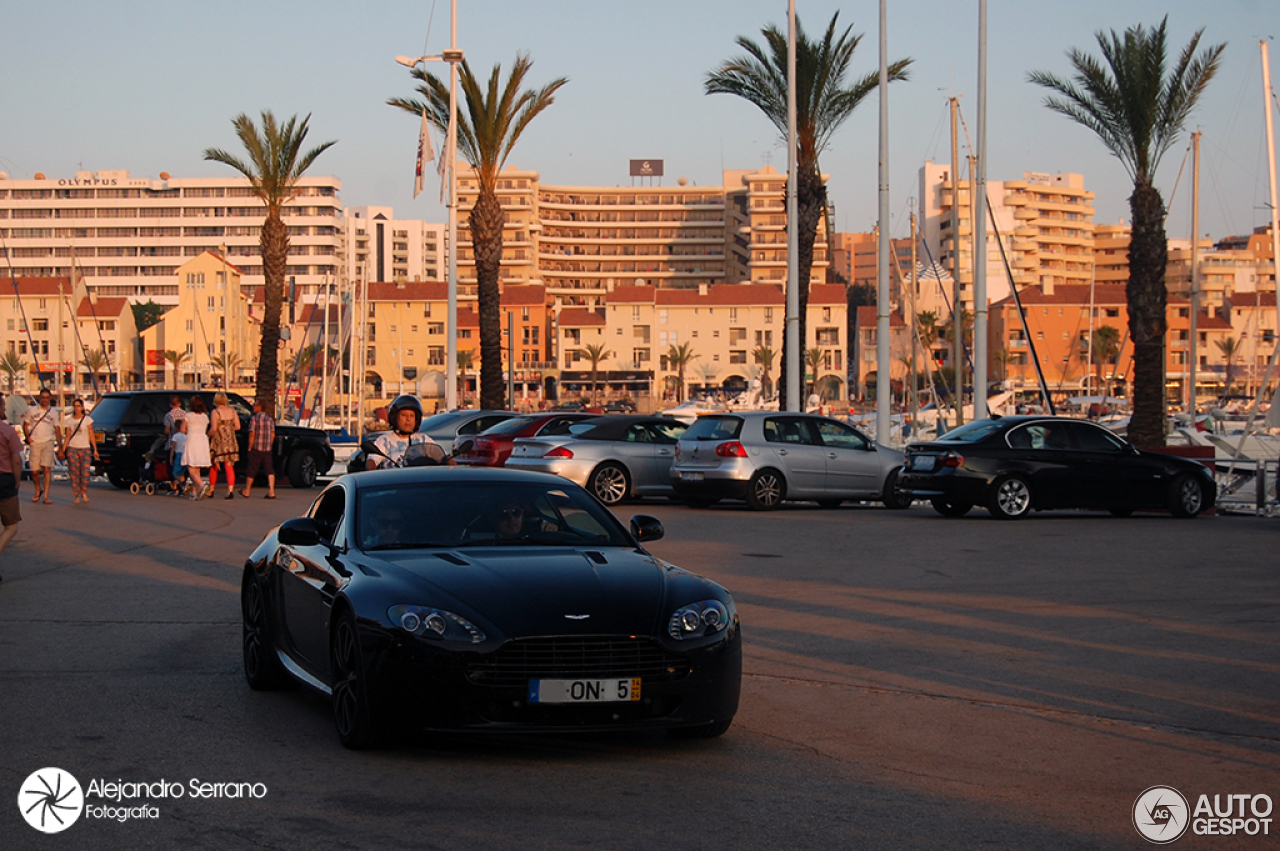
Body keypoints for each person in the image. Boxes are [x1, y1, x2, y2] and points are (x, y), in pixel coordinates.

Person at [365, 395, 438, 470]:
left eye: (412, 416)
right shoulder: (384, 440)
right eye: (404, 415)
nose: (408, 419)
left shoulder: (423, 439)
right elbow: (372, 461)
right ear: (395, 418)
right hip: (393, 480)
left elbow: (442, 457)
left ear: (416, 419)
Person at [22, 388, 61, 505]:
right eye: (43, 397)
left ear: (50, 399)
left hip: (48, 442)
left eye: (47, 398)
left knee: (46, 468)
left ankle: (46, 496)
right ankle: (37, 489)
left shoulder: (54, 413)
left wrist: (60, 446)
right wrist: (28, 437)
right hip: (35, 442)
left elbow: (57, 429)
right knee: (35, 471)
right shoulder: (32, 410)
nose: (45, 400)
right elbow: (26, 424)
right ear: (39, 398)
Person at [0, 405, 25, 582]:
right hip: (4, 480)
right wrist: (17, 480)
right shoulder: (7, 431)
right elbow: (16, 460)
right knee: (11, 527)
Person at [59, 397, 98, 505]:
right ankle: (76, 494)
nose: (76, 408)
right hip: (73, 448)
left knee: (85, 472)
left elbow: (91, 435)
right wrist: (63, 449)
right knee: (74, 473)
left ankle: (84, 492)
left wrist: (95, 449)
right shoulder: (70, 421)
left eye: (78, 406)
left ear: (82, 407)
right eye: (75, 406)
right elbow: (67, 436)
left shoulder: (87, 420)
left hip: (85, 448)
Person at [207, 392, 240, 499]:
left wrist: (207, 436)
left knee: (214, 464)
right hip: (230, 440)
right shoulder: (232, 411)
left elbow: (214, 428)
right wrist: (229, 429)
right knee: (229, 466)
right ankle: (230, 490)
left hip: (219, 440)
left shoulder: (215, 412)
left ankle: (211, 490)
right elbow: (238, 426)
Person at [241, 399, 276, 499]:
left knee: (252, 469)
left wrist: (249, 447)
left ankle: (247, 490)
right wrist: (269, 444)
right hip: (267, 448)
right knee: (269, 469)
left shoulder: (254, 419)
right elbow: (273, 434)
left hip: (257, 447)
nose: (253, 407)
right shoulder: (269, 419)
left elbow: (252, 433)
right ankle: (272, 491)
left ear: (259, 407)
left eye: (255, 405)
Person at [182, 396, 212, 500]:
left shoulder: (188, 416)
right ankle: (193, 492)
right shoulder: (205, 416)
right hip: (202, 440)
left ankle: (202, 485)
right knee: (197, 468)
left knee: (191, 468)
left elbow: (182, 429)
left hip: (192, 440)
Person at [169, 427, 188, 496]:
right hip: (186, 454)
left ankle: (184, 484)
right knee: (182, 472)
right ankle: (182, 489)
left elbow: (173, 447)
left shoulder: (176, 436)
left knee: (175, 473)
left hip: (179, 454)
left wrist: (171, 457)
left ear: (176, 428)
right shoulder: (187, 436)